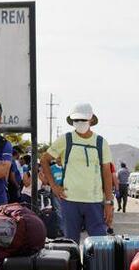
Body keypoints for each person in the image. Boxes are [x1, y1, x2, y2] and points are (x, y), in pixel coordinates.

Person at [41, 103, 114, 243]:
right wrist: (54, 186)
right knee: (71, 245)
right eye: (76, 120)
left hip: (94, 201)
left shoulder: (100, 142)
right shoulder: (66, 139)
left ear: (91, 120)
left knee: (99, 245)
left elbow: (107, 173)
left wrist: (109, 202)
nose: (80, 123)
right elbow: (44, 160)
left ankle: (95, 266)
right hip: (70, 201)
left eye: (83, 120)